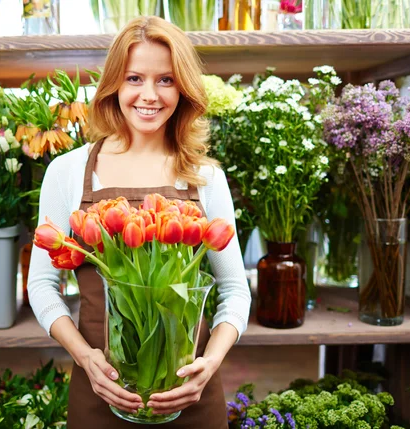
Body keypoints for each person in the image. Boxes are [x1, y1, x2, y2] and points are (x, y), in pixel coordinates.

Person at [27, 15, 251, 428]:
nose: (149, 95)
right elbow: (41, 285)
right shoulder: (69, 171)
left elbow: (235, 290)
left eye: (166, 80)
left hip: (189, 393)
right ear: (114, 83)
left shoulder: (204, 176)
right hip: (103, 387)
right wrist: (85, 357)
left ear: (183, 88)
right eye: (134, 78)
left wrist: (209, 363)